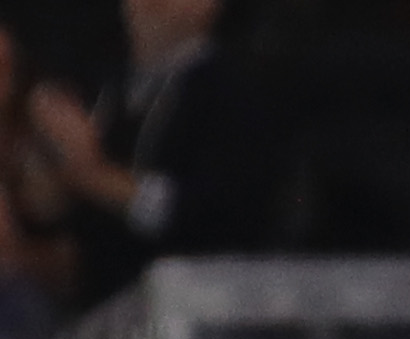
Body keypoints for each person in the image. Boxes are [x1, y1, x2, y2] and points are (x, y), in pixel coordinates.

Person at [30, 0, 278, 309]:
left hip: (189, 310)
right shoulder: (104, 84)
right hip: (98, 315)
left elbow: (210, 214)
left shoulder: (232, 90)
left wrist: (92, 175)